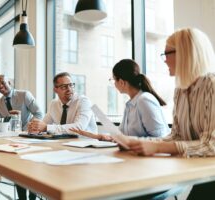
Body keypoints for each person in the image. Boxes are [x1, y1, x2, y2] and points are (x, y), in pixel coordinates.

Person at [75, 28, 215, 200]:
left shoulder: (211, 86)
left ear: (185, 53)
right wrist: (137, 143)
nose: (164, 60)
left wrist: (156, 146)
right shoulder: (180, 91)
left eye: (166, 54)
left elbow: (211, 145)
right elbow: (176, 136)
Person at [0, 74, 41, 200]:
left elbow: (39, 113)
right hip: (12, 140)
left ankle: (32, 197)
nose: (0, 86)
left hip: (29, 137)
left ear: (10, 83)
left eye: (3, 83)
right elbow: (2, 122)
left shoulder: (24, 94)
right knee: (18, 171)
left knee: (30, 171)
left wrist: (29, 129)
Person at [111, 59, 169, 137]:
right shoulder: (130, 104)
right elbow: (122, 134)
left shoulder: (144, 100)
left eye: (114, 80)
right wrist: (108, 137)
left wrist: (132, 142)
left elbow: (160, 137)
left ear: (121, 82)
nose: (114, 83)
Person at [28, 72, 97, 134]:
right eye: (64, 86)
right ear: (55, 89)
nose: (69, 89)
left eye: (71, 85)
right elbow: (44, 124)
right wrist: (36, 127)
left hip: (85, 143)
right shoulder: (54, 104)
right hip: (64, 142)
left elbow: (79, 127)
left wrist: (46, 128)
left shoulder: (83, 101)